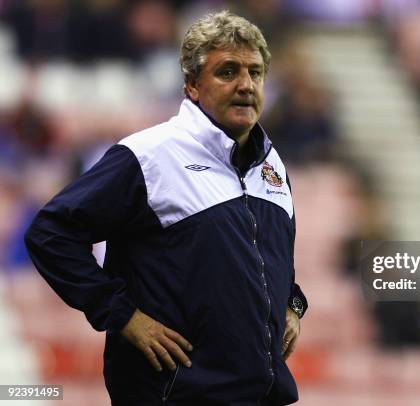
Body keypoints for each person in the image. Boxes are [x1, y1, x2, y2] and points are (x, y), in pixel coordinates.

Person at [24, 10, 307, 406]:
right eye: (228, 72)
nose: (246, 85)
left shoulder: (271, 165)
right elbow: (50, 233)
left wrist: (293, 305)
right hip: (174, 394)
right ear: (192, 85)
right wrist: (121, 315)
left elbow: (272, 261)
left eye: (255, 72)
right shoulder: (149, 156)